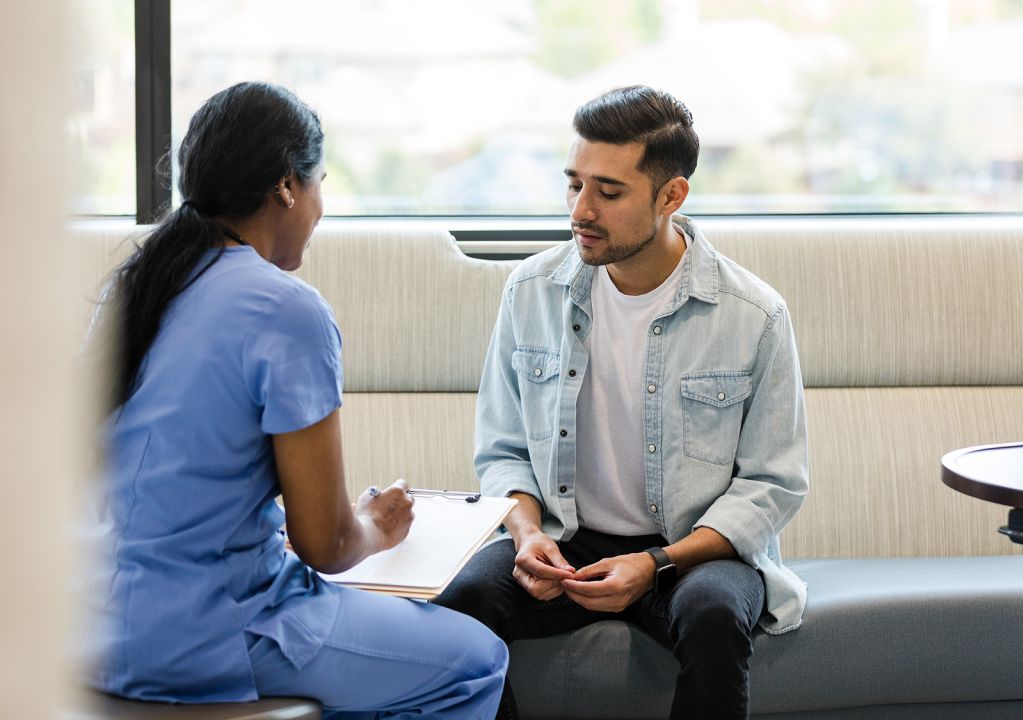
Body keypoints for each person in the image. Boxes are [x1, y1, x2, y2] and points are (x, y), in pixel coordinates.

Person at [86, 82, 506, 718]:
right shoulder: (287, 310)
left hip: (87, 622)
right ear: (287, 185)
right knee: (474, 663)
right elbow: (328, 546)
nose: (318, 208)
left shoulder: (137, 287)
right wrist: (376, 526)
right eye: (320, 184)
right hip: (207, 634)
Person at [435, 85, 809, 719]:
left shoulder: (755, 315)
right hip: (565, 541)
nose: (581, 209)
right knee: (462, 598)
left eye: (608, 193)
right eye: (574, 184)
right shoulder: (531, 292)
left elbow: (772, 485)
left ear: (671, 196)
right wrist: (526, 537)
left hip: (689, 550)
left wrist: (655, 562)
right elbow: (502, 451)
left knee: (714, 614)